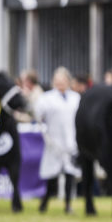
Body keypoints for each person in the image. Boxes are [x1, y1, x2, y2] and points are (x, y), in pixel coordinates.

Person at [34, 67, 80, 213]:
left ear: (68, 81)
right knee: (51, 176)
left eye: (63, 81)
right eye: (57, 81)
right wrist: (45, 134)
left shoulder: (76, 98)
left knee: (69, 174)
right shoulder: (46, 98)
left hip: (71, 141)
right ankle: (45, 202)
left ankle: (67, 205)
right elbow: (38, 117)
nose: (60, 83)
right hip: (53, 141)